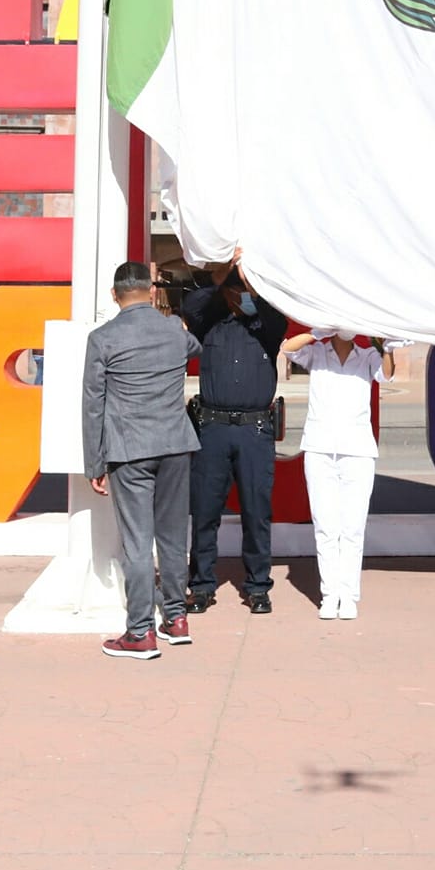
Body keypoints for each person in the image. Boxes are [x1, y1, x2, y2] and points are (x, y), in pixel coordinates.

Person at [82, 261, 203, 660]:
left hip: (129, 450)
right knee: (171, 537)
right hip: (175, 444)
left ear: (115, 296)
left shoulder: (103, 338)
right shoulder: (173, 329)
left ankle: (139, 632)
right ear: (152, 292)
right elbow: (195, 347)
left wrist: (94, 463)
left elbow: (93, 405)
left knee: (137, 542)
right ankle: (176, 619)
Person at [181, 258, 288, 615]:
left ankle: (258, 586)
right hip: (212, 429)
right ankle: (201, 585)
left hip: (254, 431)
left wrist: (249, 278)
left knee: (256, 512)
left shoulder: (267, 329)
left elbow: (274, 315)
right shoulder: (208, 325)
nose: (239, 297)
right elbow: (192, 306)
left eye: (245, 292)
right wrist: (223, 273)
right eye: (234, 292)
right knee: (205, 511)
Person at [281, 328, 401, 620]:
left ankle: (348, 595)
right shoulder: (317, 353)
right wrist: (317, 331)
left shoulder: (368, 356)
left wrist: (388, 348)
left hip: (358, 450)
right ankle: (329, 594)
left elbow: (387, 375)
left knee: (352, 528)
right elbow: (287, 348)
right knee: (325, 526)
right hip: (320, 448)